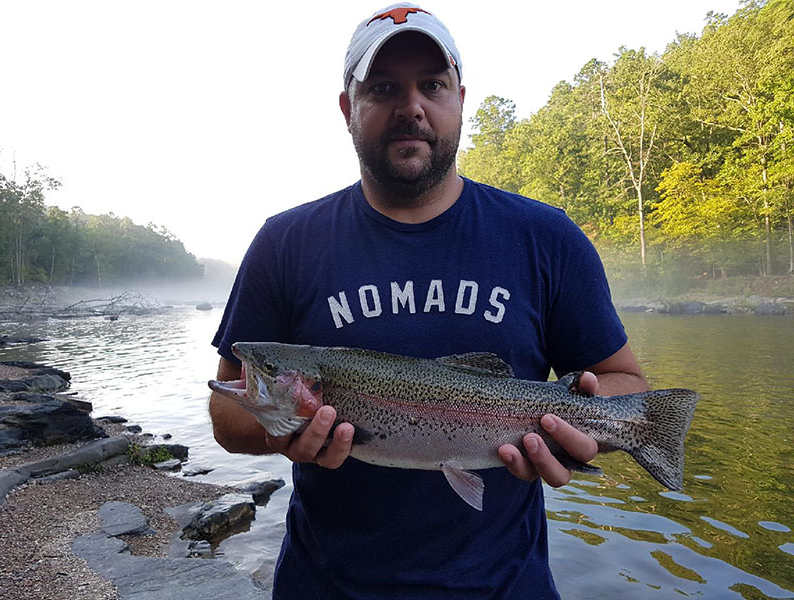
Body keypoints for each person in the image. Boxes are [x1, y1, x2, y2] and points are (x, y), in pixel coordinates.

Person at [210, 3, 648, 598]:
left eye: (432, 85)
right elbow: (227, 414)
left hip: (506, 587)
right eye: (384, 87)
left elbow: (626, 387)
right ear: (348, 108)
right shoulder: (285, 243)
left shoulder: (547, 238)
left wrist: (585, 429)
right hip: (325, 586)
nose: (410, 106)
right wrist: (277, 430)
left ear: (460, 99)